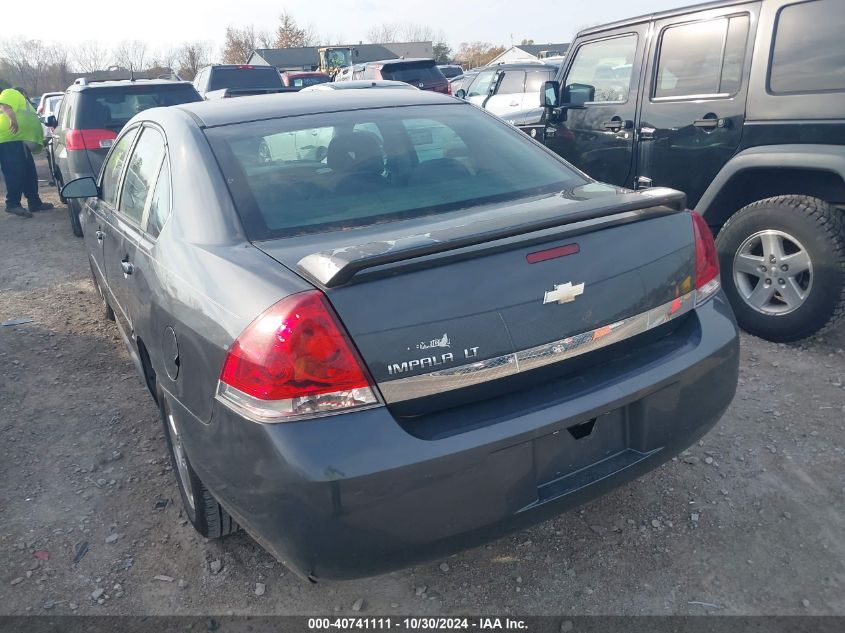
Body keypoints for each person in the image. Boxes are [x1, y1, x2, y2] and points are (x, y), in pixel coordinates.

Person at [0, 87, 54, 218]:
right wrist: (13, 120)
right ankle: (12, 203)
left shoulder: (18, 99)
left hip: (18, 141)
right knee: (15, 172)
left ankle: (34, 202)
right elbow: (5, 107)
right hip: (10, 140)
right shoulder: (10, 93)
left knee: (29, 172)